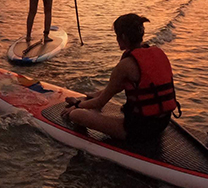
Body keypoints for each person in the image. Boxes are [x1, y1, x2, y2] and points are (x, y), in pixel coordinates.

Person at [62, 14, 179, 142]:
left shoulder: (125, 65)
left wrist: (78, 105)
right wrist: (96, 94)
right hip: (162, 123)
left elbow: (101, 102)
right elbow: (122, 87)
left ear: (122, 36)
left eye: (116, 35)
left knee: (76, 115)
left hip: (138, 130)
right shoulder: (157, 53)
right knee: (92, 105)